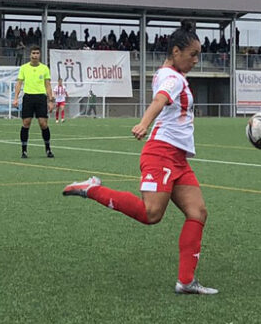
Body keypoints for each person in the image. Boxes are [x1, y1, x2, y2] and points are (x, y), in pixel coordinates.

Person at [62, 21, 217, 295]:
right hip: (162, 154)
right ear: (177, 51)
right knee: (151, 214)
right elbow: (159, 100)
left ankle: (186, 281)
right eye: (192, 54)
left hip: (177, 158)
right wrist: (144, 123)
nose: (196, 60)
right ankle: (92, 189)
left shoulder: (170, 74)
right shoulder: (173, 78)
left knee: (198, 212)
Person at [12, 46, 54, 159]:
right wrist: (15, 98)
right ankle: (24, 150)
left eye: (37, 53)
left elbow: (48, 85)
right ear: (30, 55)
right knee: (26, 123)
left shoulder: (45, 68)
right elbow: (19, 83)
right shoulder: (24, 68)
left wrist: (50, 100)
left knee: (43, 123)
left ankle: (48, 149)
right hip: (28, 97)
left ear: (39, 55)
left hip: (41, 97)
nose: (35, 55)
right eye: (33, 53)